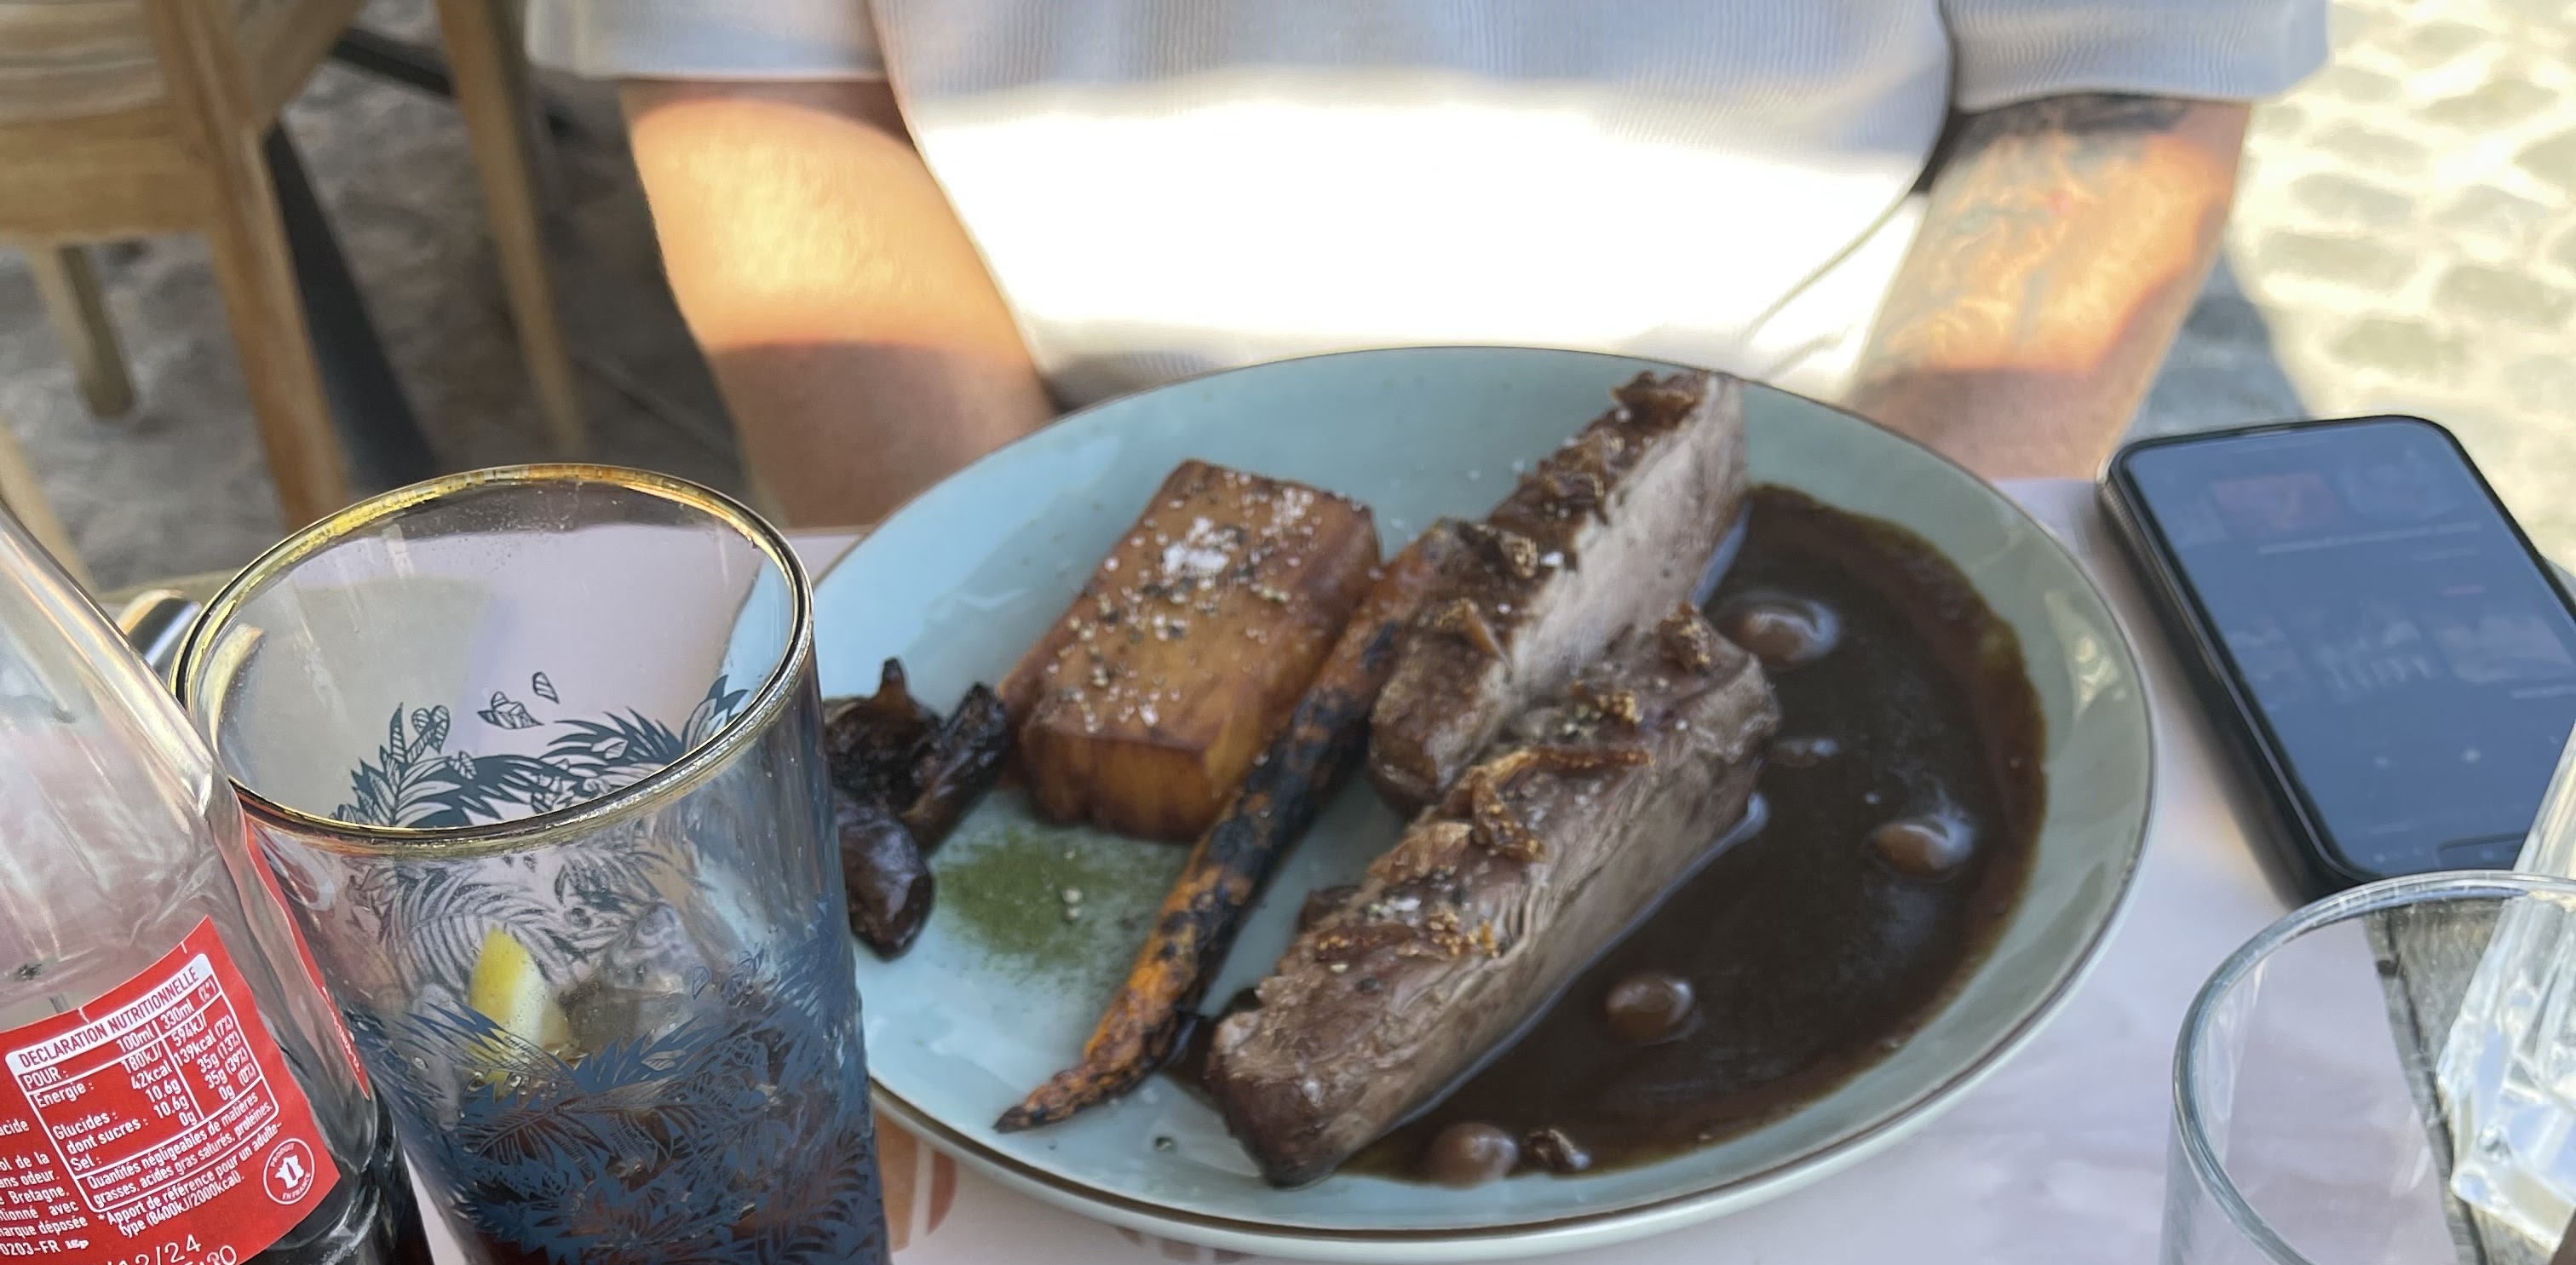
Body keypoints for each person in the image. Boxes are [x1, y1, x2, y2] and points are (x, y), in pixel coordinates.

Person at [526, 4, 2326, 526]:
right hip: (1049, 443)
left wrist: (1890, 553)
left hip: (1820, 428)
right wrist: (986, 594)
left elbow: (2121, 75)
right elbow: (765, 84)